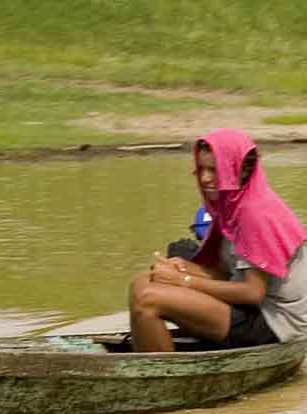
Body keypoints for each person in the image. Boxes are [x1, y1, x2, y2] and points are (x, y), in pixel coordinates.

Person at [127, 129, 307, 352]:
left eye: (214, 170)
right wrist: (180, 268)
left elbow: (253, 293)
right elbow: (225, 270)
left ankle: (163, 378)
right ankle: (147, 358)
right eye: (201, 169)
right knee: (141, 283)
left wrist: (183, 280)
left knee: (148, 300)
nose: (204, 178)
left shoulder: (254, 212)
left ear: (238, 171)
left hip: (274, 322)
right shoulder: (230, 205)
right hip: (251, 307)